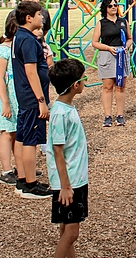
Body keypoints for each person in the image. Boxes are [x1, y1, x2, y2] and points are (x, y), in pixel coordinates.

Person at [45, 58, 88, 258]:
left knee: (66, 229)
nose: (85, 81)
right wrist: (65, 186)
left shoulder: (64, 108)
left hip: (74, 179)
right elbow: (57, 150)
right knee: (71, 233)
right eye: (83, 78)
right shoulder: (61, 113)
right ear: (75, 86)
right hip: (70, 181)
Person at [11, 0, 52, 199]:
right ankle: (30, 184)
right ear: (29, 18)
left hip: (25, 97)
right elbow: (31, 71)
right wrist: (41, 100)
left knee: (21, 137)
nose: (42, 17)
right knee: (30, 141)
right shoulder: (27, 40)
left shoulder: (20, 36)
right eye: (38, 15)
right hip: (30, 98)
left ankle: (21, 178)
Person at [91, 0, 133, 127]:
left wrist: (127, 46)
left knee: (121, 86)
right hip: (107, 56)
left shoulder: (123, 21)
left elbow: (129, 38)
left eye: (115, 5)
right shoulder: (101, 23)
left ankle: (120, 115)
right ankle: (107, 116)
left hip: (122, 56)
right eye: (110, 6)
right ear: (105, 8)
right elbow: (95, 42)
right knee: (107, 87)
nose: (114, 7)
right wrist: (108, 48)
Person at [0, 15, 22, 183]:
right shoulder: (2, 50)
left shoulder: (17, 47)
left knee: (18, 133)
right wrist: (5, 102)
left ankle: (20, 167)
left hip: (19, 96)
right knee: (7, 133)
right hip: (9, 97)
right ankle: (6, 171)